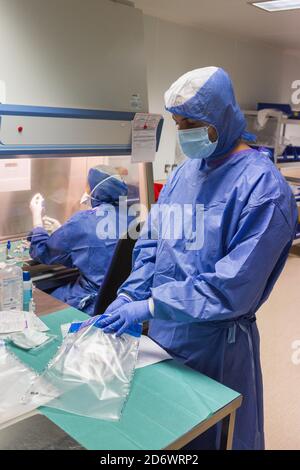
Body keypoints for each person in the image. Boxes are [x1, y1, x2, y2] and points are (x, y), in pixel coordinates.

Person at [98, 67, 298, 450]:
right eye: (178, 123)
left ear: (222, 115)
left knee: (211, 437)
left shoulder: (264, 190)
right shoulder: (185, 174)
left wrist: (152, 305)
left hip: (217, 345)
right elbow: (154, 245)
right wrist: (131, 295)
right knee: (164, 435)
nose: (184, 131)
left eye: (192, 122)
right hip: (162, 336)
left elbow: (232, 288)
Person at [29, 166, 128, 316]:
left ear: (96, 190)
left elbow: (42, 252)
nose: (86, 191)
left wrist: (36, 219)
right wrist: (63, 230)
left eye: (88, 186)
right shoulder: (132, 218)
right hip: (122, 302)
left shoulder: (82, 222)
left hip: (91, 303)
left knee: (41, 302)